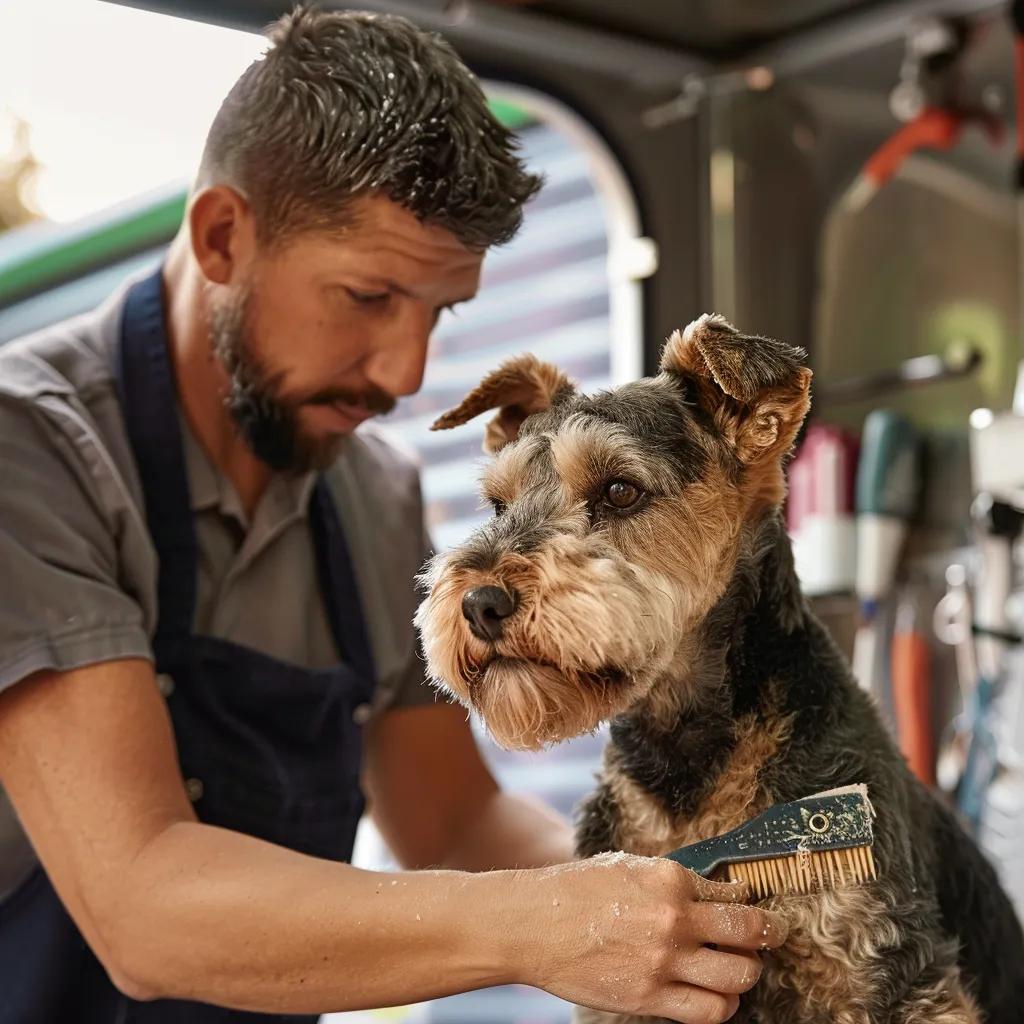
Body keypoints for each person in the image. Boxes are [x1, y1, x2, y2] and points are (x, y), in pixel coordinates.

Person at [0, 7, 787, 1023]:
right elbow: (141, 905)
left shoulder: (367, 492)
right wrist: (543, 927)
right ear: (223, 236)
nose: (406, 373)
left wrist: (665, 898)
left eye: (440, 310)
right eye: (368, 295)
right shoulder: (31, 454)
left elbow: (453, 822)